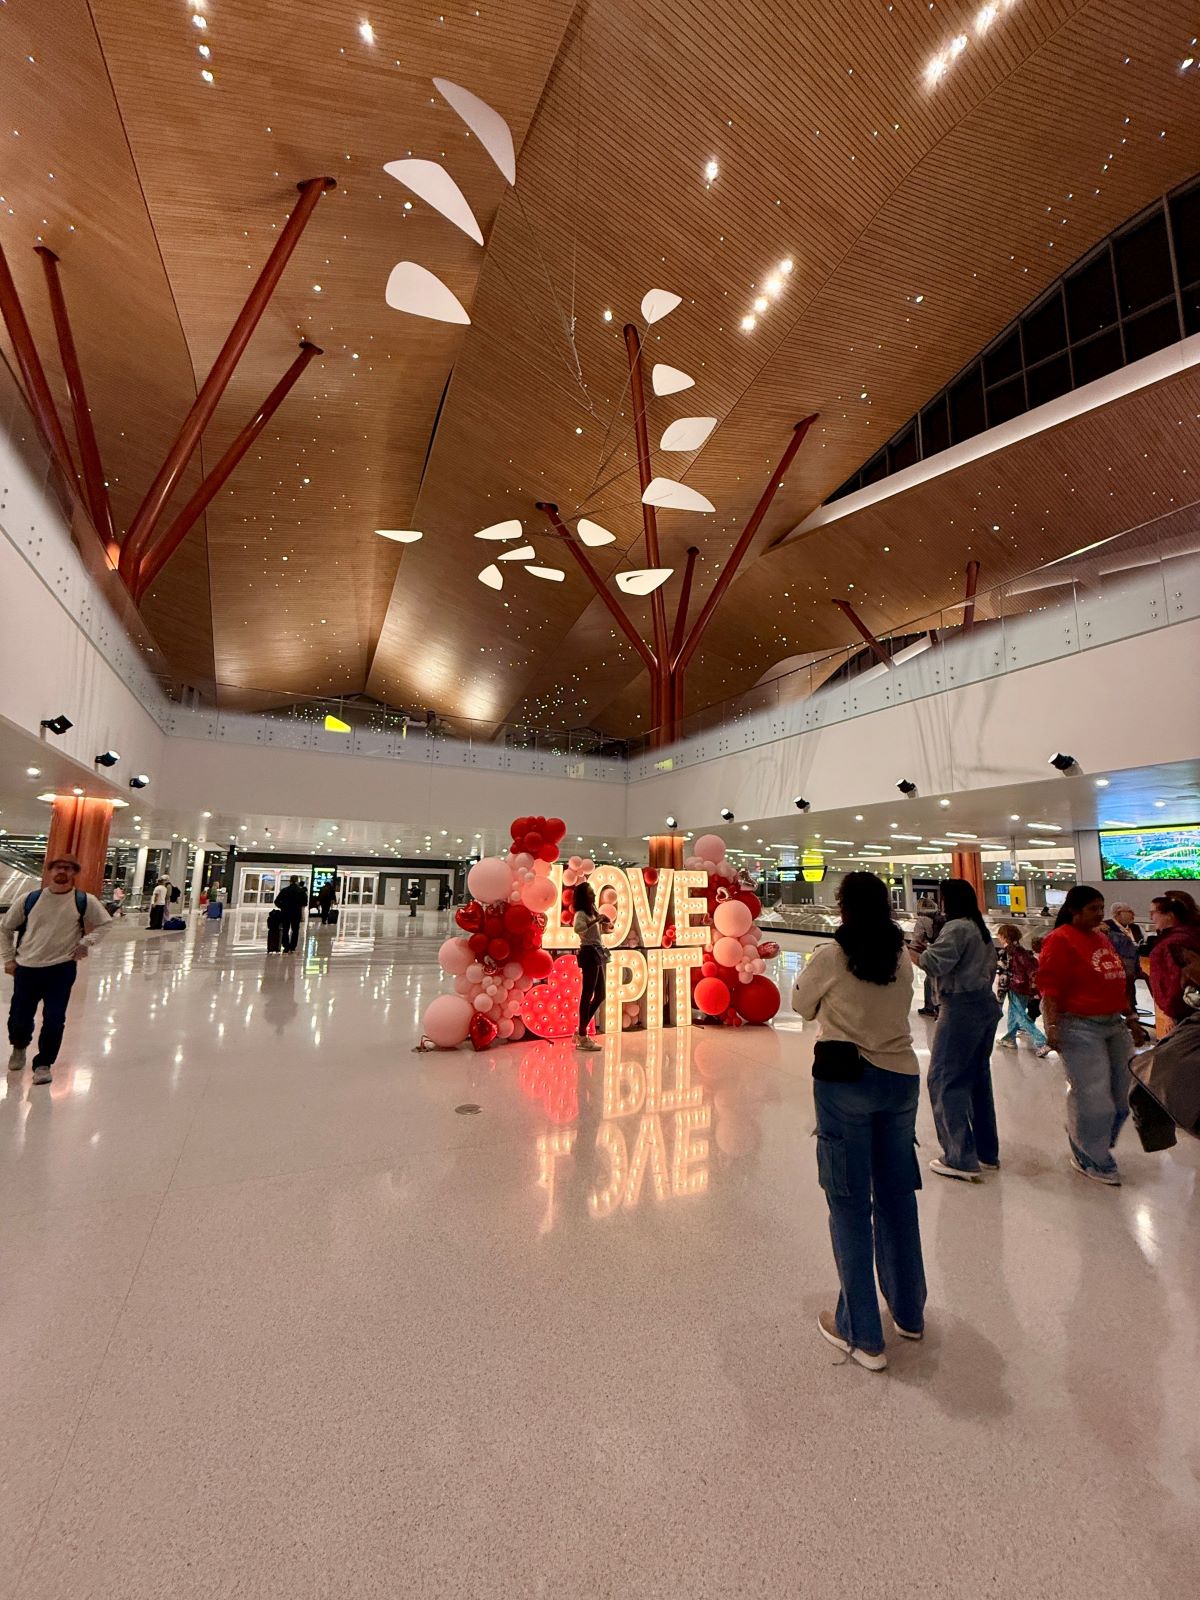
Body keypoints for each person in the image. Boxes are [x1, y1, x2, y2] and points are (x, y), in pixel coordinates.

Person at [792, 871, 924, 1372]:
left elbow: (800, 1005)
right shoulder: (900, 956)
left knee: (848, 1202)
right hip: (900, 1081)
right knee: (895, 1197)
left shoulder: (831, 956)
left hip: (846, 1082)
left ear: (843, 906)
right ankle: (909, 1313)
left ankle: (861, 1331)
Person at [1037, 885, 1147, 1185]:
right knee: (1094, 1097)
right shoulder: (1059, 941)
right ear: (1074, 911)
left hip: (1114, 1024)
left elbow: (1116, 981)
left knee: (1121, 1098)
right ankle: (1091, 1156)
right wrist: (1052, 1028)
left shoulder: (1101, 939)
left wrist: (1132, 1019)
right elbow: (1049, 988)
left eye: (1102, 908)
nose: (1100, 914)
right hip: (1079, 1026)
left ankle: (1085, 1135)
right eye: (1093, 909)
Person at [913, 878, 1001, 1181]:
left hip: (961, 1007)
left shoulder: (956, 927)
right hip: (985, 1004)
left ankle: (959, 1156)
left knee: (945, 1079)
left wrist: (913, 952)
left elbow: (934, 964)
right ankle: (987, 1151)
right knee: (977, 1078)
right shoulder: (979, 928)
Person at [2, 855, 111, 1086]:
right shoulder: (30, 899)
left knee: (54, 1018)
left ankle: (43, 1064)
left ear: (74, 873)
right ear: (49, 871)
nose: (63, 871)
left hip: (61, 969)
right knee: (20, 1016)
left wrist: (86, 943)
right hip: (27, 967)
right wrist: (9, 959)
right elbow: (5, 928)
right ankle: (19, 1046)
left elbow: (105, 922)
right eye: (58, 867)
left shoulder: (83, 900)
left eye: (69, 868)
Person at [1147, 891, 1200, 1032]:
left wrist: (1171, 1011)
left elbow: (1178, 978)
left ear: (1169, 915)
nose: (1151, 917)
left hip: (1184, 1011)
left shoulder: (1176, 941)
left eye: (1153, 912)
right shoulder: (1184, 936)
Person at [995, 924, 1052, 1056]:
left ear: (1004, 937)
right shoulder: (1022, 951)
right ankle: (1009, 1039)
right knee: (1013, 1013)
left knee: (1020, 1016)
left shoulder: (1006, 953)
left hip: (1015, 986)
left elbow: (1003, 973)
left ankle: (1041, 1041)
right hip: (1025, 987)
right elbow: (1032, 969)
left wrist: (1000, 992)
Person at [572, 881, 606, 1052]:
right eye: (591, 893)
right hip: (589, 953)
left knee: (600, 994)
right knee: (588, 993)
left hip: (597, 952)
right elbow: (578, 929)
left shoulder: (592, 911)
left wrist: (603, 923)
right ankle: (583, 1034)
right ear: (584, 896)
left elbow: (597, 932)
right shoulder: (580, 913)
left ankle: (581, 1029)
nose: (594, 895)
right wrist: (596, 921)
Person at [1103, 902, 1143, 1013]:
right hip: (1118, 967)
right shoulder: (1107, 927)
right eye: (1129, 911)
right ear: (1118, 914)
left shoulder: (1135, 928)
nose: (1133, 914)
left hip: (1136, 964)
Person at [912, 897, 942, 1016]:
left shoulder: (921, 920)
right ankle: (934, 1005)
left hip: (931, 952)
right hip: (941, 950)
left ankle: (931, 1007)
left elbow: (917, 938)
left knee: (930, 980)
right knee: (932, 980)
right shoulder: (938, 918)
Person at [273, 875, 308, 953]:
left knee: (285, 929)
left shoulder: (285, 890)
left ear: (290, 881)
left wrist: (282, 907)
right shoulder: (301, 891)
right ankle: (293, 947)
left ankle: (286, 946)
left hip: (285, 913)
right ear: (297, 881)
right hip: (296, 913)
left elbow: (276, 901)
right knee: (295, 930)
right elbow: (305, 903)